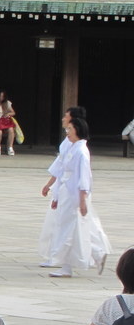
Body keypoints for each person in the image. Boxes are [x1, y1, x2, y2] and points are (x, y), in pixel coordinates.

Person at [41, 117, 110, 277]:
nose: (67, 133)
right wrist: (54, 191)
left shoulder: (81, 151)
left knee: (71, 230)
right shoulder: (72, 148)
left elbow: (84, 177)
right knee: (70, 229)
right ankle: (90, 256)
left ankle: (87, 257)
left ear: (78, 130)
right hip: (66, 191)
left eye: (70, 129)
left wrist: (83, 199)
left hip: (74, 194)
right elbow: (61, 169)